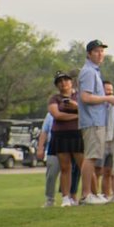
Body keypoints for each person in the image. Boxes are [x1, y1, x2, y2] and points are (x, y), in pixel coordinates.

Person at [77, 39, 114, 205]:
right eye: (96, 51)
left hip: (97, 120)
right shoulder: (88, 72)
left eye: (102, 51)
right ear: (89, 54)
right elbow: (85, 97)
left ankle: (91, 193)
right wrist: (107, 98)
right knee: (91, 157)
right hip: (92, 120)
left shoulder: (94, 71)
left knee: (93, 157)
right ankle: (86, 194)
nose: (100, 54)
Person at [47, 71, 81, 207]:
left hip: (77, 134)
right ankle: (66, 197)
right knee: (65, 167)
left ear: (71, 82)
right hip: (61, 135)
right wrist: (77, 116)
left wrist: (77, 108)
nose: (63, 84)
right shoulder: (54, 99)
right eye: (60, 82)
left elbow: (88, 110)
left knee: (82, 165)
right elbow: (57, 115)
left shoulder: (78, 96)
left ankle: (86, 194)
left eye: (66, 80)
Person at [102, 80, 114, 201]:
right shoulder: (99, 106)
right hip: (102, 139)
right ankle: (105, 195)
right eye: (107, 90)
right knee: (104, 171)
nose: (109, 92)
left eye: (111, 90)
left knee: (113, 170)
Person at [36, 111, 56, 207]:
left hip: (68, 147)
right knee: (51, 174)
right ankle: (50, 199)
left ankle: (69, 197)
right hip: (52, 147)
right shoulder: (50, 114)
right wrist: (40, 148)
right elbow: (44, 132)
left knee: (70, 173)